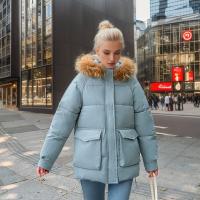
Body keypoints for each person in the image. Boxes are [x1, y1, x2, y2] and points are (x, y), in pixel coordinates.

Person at [36, 20, 158, 200]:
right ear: (96, 50)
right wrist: (46, 159)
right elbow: (62, 120)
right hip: (90, 161)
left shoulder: (130, 81)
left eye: (117, 53)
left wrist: (151, 162)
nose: (111, 59)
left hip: (125, 161)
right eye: (106, 52)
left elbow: (145, 126)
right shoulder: (82, 80)